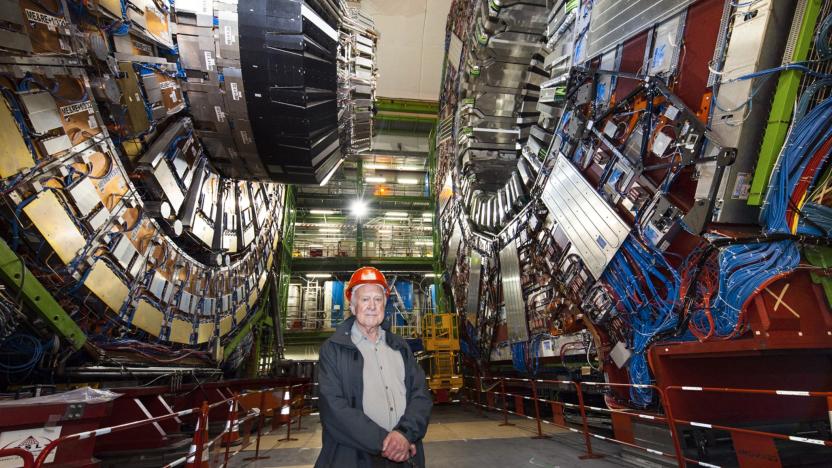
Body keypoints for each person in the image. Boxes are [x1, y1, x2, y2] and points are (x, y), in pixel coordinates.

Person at [315, 266, 432, 468]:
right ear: (352, 306)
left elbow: (420, 395)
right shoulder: (333, 350)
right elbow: (333, 409)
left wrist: (405, 434)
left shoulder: (401, 347)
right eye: (365, 299)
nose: (372, 306)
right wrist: (389, 443)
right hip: (354, 458)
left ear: (385, 304)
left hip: (405, 458)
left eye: (377, 299)